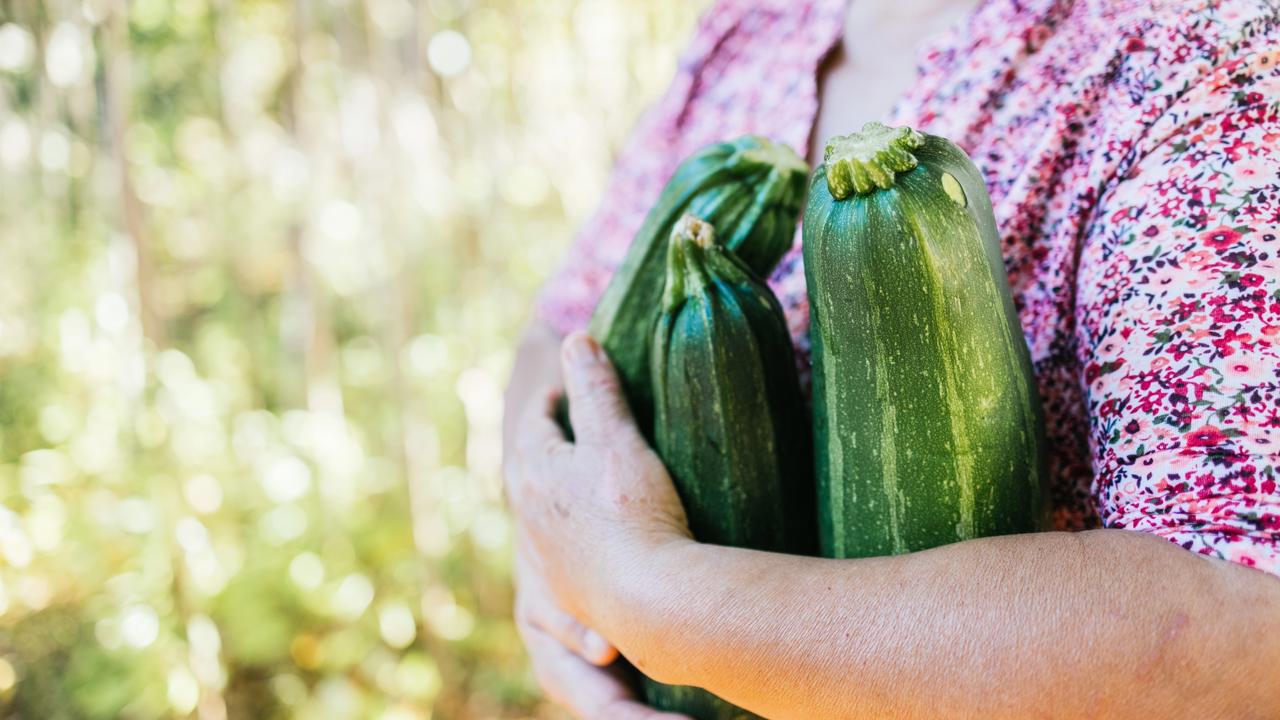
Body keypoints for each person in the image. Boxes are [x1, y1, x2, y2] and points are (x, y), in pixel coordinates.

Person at [502, 0, 1280, 717]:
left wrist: (648, 598)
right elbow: (564, 325)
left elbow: (1242, 622)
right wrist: (544, 521)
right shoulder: (751, 26)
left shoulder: (1200, 48)